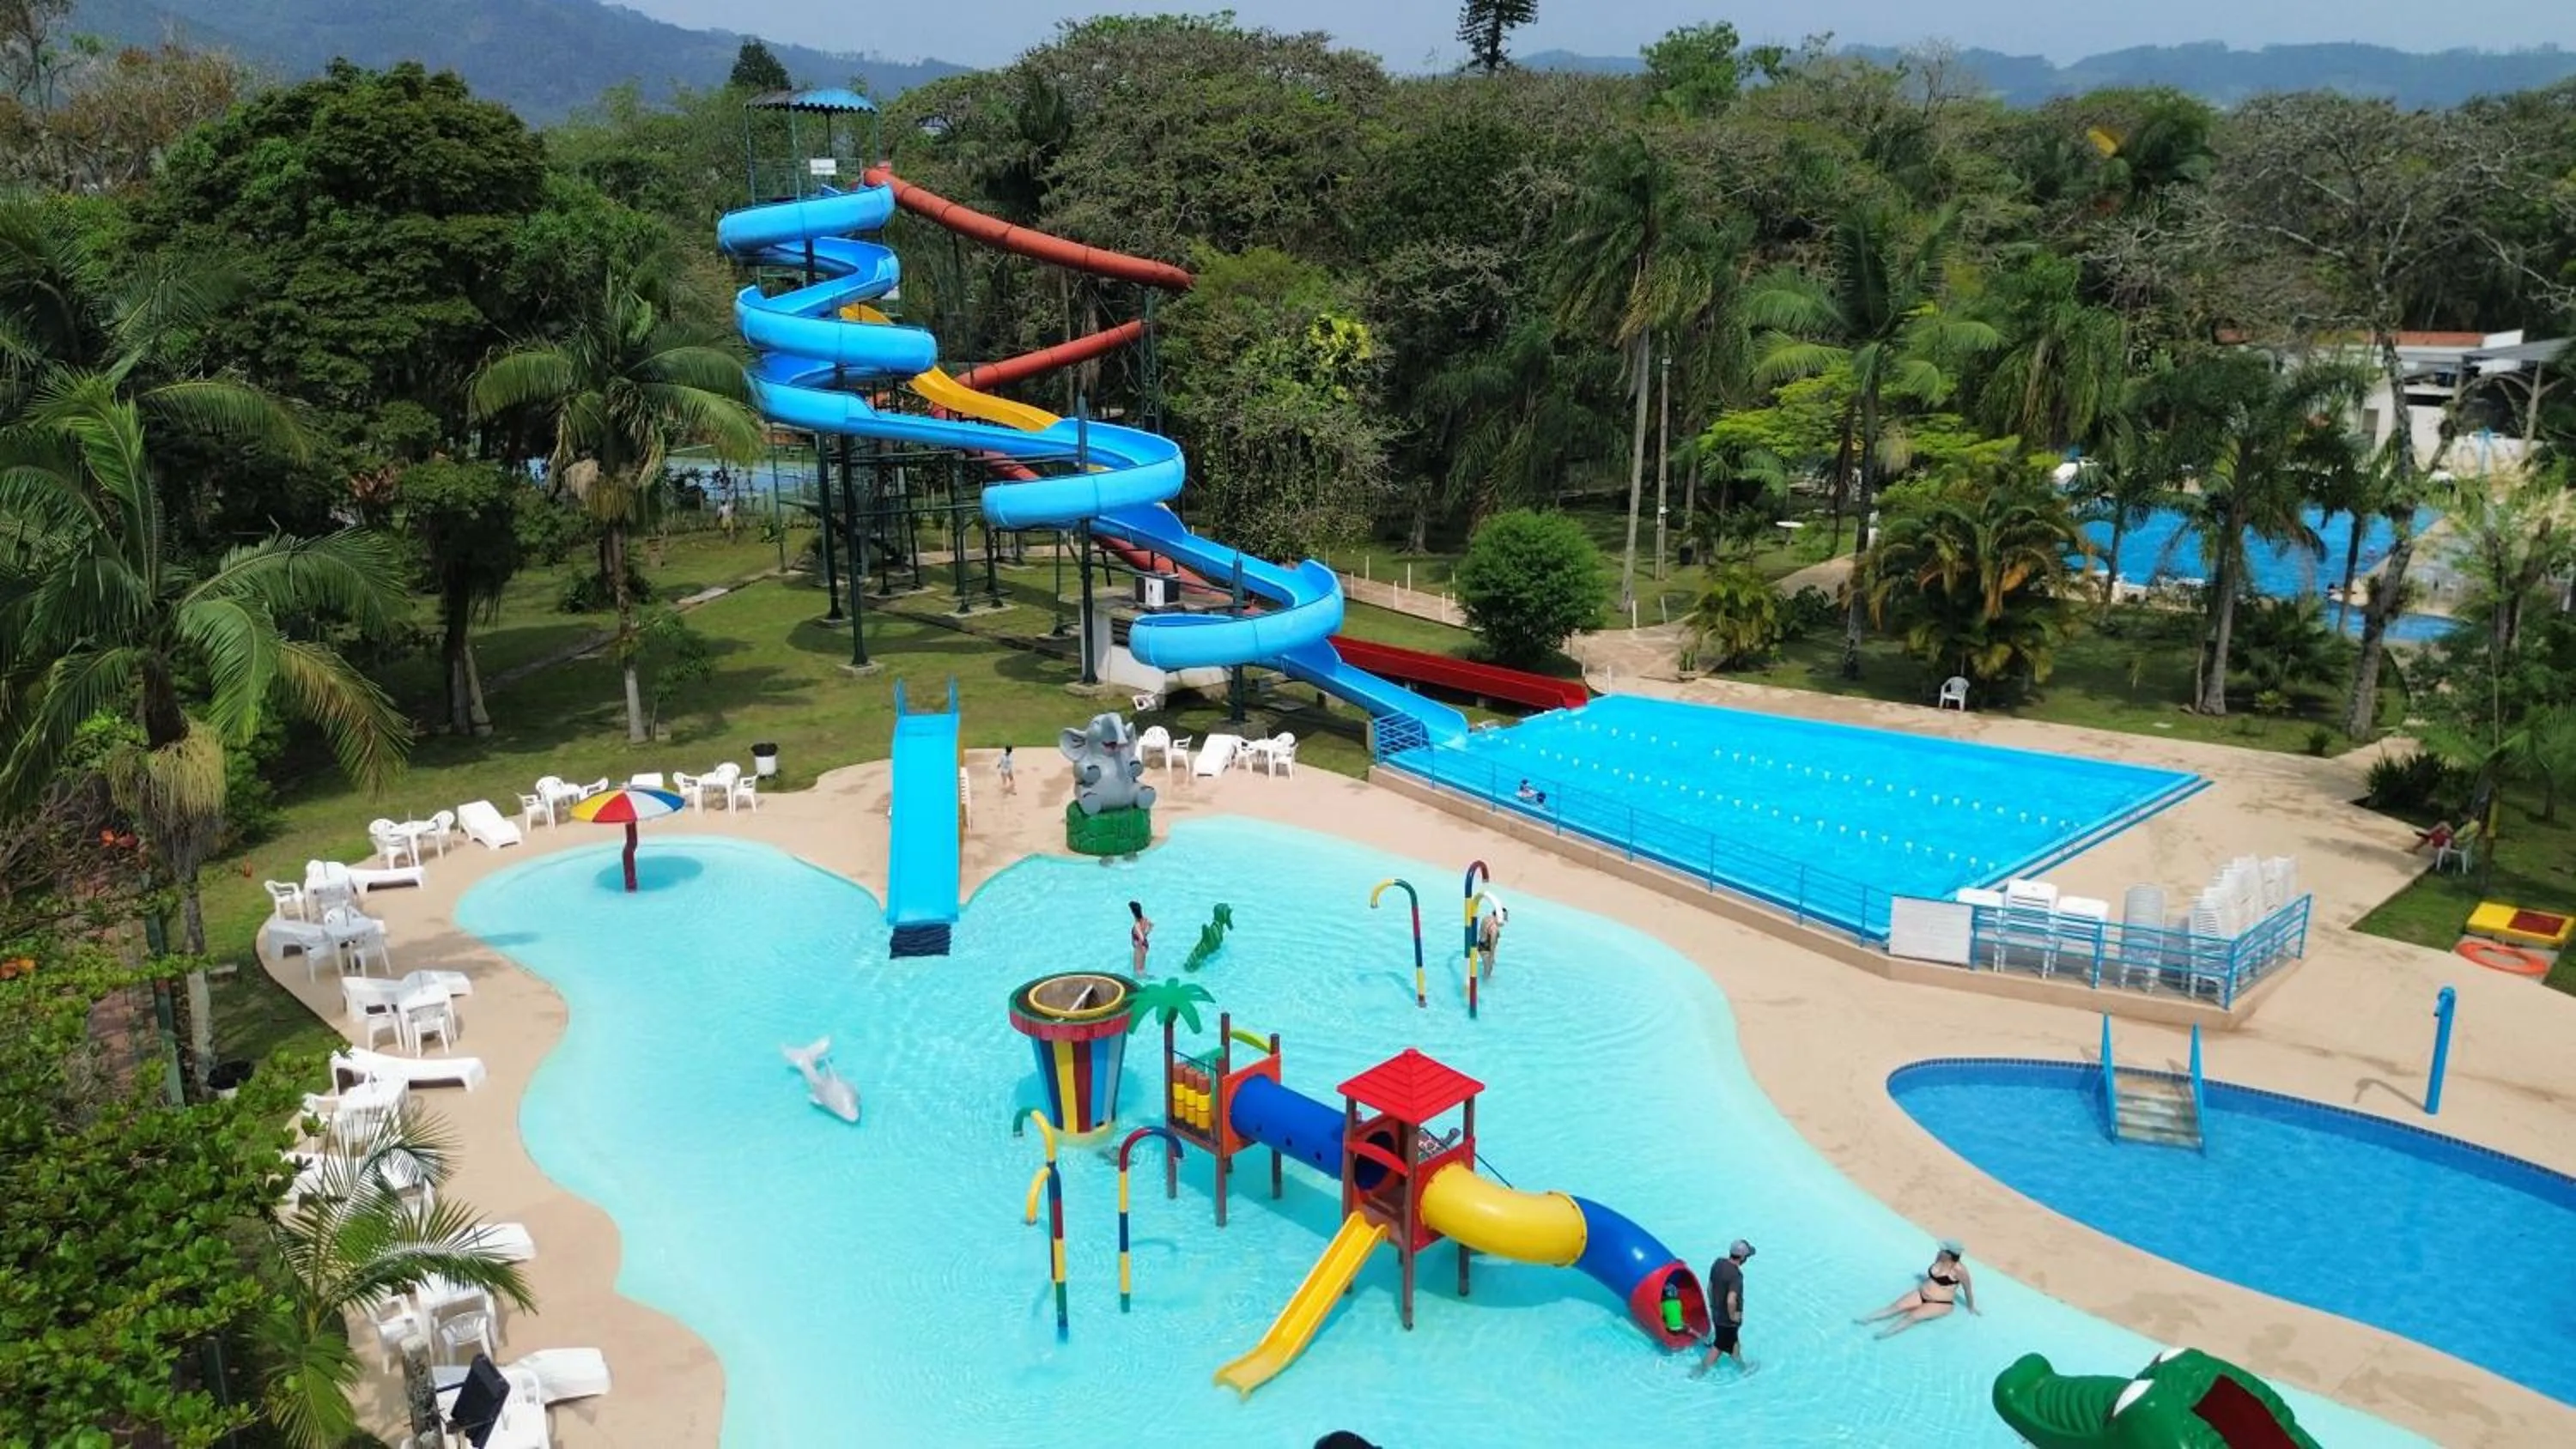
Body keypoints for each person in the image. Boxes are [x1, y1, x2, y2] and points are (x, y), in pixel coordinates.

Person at [1856, 1241, 1978, 1338]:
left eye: (1942, 1249)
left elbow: (1968, 1289)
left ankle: (1883, 1335)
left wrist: (1971, 1307)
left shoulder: (1960, 1271)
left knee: (1912, 1317)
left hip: (1940, 1303)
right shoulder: (1939, 1258)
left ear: (1949, 1254)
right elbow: (1935, 1277)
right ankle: (1865, 1320)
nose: (1939, 1250)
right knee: (1895, 1307)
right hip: (1921, 1293)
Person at [1692, 1240, 1755, 1377]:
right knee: (1719, 1347)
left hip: (1717, 1313)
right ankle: (1699, 1371)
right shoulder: (1736, 1276)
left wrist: (1713, 1305)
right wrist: (1733, 1316)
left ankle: (1742, 1367)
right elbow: (1731, 1300)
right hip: (1728, 1320)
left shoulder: (1718, 1263)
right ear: (1743, 1257)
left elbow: (1710, 1287)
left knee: (1733, 1342)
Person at [1477, 904, 1506, 977]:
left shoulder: (1486, 918)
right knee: (1488, 972)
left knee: (1485, 965)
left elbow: (1480, 932)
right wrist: (1492, 957)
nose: (1504, 919)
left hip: (1480, 944)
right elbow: (1492, 944)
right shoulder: (1494, 929)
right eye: (1504, 917)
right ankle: (1485, 984)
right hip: (1486, 948)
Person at [1128, 900, 1154, 978]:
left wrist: (1138, 946)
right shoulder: (1145, 919)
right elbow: (1152, 925)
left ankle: (1149, 979)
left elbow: (1141, 938)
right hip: (1144, 946)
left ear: (1133, 913)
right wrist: (1146, 933)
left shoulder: (1137, 925)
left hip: (1140, 947)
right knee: (1141, 969)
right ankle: (1148, 978)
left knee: (1137, 971)